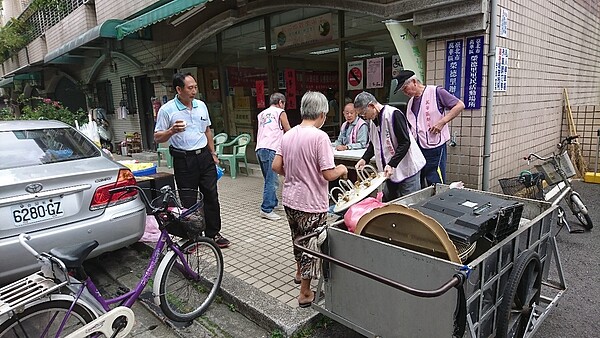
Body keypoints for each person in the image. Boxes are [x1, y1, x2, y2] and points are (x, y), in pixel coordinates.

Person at [272, 91, 348, 308]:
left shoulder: (288, 135)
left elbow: (276, 166)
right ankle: (305, 292)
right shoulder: (319, 137)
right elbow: (328, 174)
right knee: (311, 245)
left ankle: (298, 272)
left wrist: (296, 174)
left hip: (289, 199)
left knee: (297, 238)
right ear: (322, 114)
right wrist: (342, 169)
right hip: (311, 203)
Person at [154, 72, 230, 248]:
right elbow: (157, 137)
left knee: (211, 196)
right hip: (183, 159)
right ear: (179, 89)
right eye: (190, 88)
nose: (194, 91)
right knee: (188, 199)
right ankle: (192, 236)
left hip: (204, 157)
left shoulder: (201, 106)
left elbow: (207, 130)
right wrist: (172, 130)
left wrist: (213, 153)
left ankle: (213, 233)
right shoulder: (167, 110)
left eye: (195, 87)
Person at [393, 70, 465, 187]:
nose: (405, 92)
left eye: (405, 88)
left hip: (435, 145)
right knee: (420, 179)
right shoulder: (411, 102)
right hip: (418, 146)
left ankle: (439, 202)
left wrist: (442, 122)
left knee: (436, 179)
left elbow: (460, 105)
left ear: (414, 82)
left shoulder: (436, 92)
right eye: (403, 90)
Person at [353, 91, 425, 202]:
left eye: (363, 113)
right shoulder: (373, 121)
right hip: (389, 171)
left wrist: (392, 164)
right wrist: (364, 159)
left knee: (410, 203)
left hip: (407, 168)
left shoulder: (393, 114)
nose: (364, 117)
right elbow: (374, 143)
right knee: (391, 202)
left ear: (371, 106)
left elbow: (405, 142)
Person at [255, 92, 291, 221]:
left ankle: (273, 202)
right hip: (271, 148)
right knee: (272, 180)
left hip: (260, 148)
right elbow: (288, 130)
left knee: (268, 178)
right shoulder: (280, 112)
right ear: (281, 102)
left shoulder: (262, 114)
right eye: (284, 103)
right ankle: (266, 209)